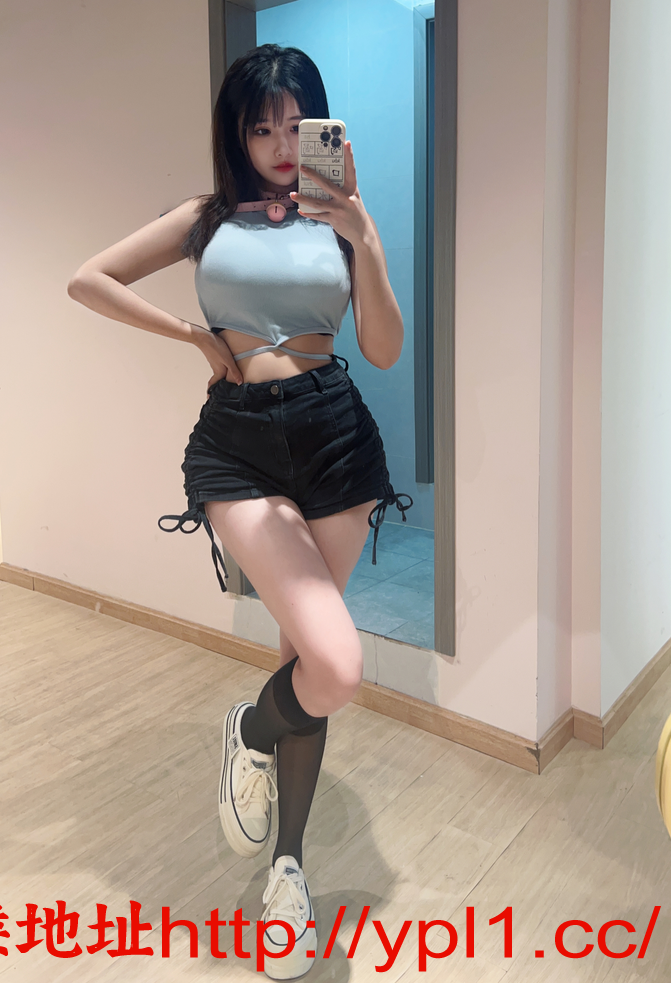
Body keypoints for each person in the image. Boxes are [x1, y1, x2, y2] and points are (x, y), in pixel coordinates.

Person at [68, 43, 411, 980]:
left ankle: (286, 872)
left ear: (318, 126)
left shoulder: (341, 221)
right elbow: (89, 278)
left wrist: (366, 236)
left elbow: (382, 347)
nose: (277, 145)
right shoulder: (204, 217)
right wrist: (192, 335)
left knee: (309, 663)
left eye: (292, 125)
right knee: (336, 664)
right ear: (236, 134)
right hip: (239, 446)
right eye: (259, 128)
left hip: (336, 440)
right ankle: (252, 732)